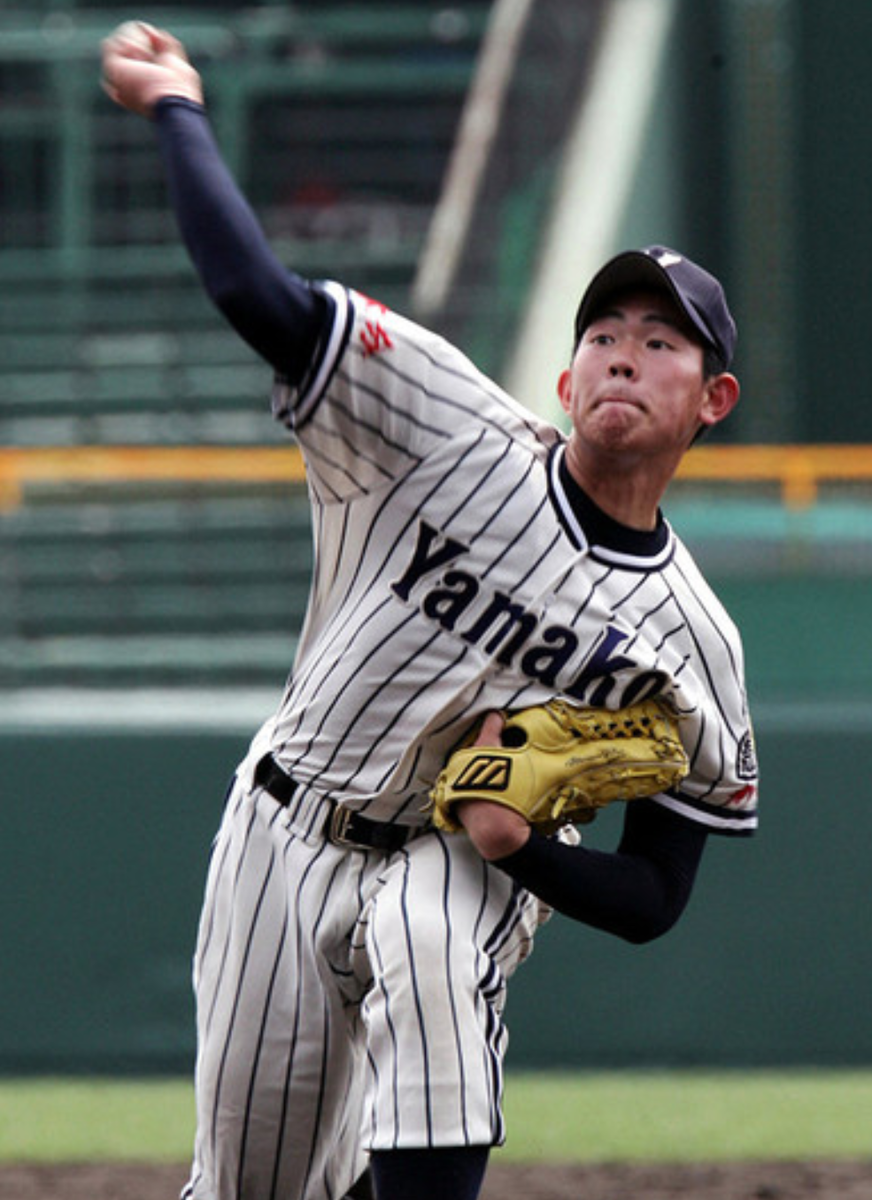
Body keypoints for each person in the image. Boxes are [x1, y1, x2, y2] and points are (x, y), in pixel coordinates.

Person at [101, 23, 759, 1200]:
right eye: (601, 335)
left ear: (711, 398)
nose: (621, 354)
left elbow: (656, 893)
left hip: (457, 852)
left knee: (436, 923)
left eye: (658, 341)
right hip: (289, 827)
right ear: (562, 381)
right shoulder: (446, 431)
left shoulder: (691, 640)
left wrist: (524, 852)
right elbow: (256, 294)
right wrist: (176, 106)